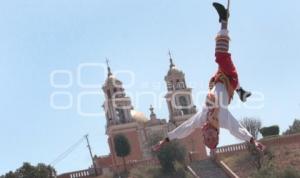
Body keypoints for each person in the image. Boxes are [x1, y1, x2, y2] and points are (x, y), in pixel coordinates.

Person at [153, 2, 264, 152]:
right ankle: (224, 20)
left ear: (203, 135)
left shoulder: (201, 118)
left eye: (208, 138)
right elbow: (238, 129)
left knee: (218, 65)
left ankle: (241, 92)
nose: (211, 136)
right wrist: (253, 141)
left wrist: (165, 140)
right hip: (229, 79)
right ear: (218, 134)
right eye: (214, 138)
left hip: (219, 78)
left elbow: (185, 128)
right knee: (220, 56)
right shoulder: (223, 119)